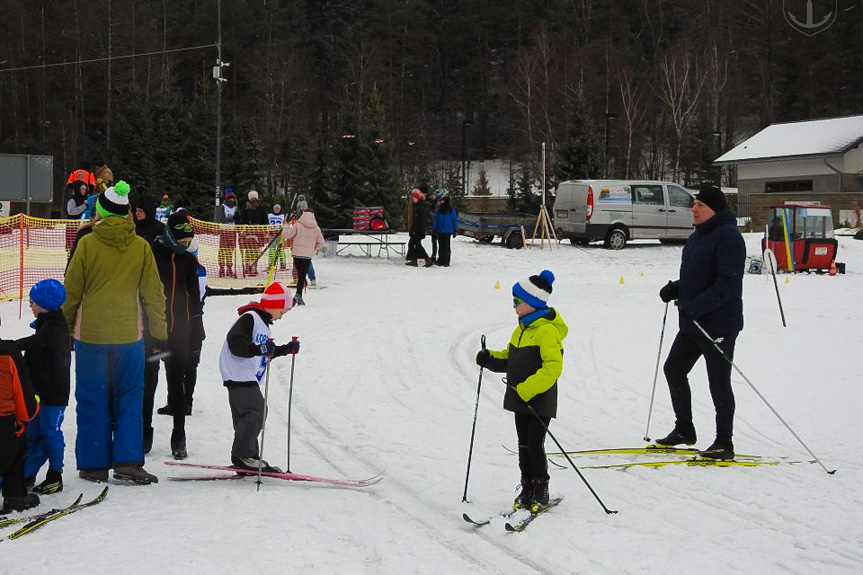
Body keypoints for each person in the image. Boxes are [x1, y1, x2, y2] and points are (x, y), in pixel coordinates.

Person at [62, 180, 168, 485]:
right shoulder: (141, 247)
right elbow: (154, 294)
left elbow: (71, 292)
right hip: (129, 337)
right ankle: (128, 461)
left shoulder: (87, 243)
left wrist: (65, 330)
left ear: (101, 211)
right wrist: (158, 332)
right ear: (127, 215)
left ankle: (94, 464)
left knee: (92, 397)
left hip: (90, 337)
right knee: (130, 397)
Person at [656, 185, 745, 460]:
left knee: (718, 382)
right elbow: (698, 278)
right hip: (693, 323)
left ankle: (724, 443)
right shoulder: (697, 237)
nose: (693, 209)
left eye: (700, 206)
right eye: (694, 204)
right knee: (674, 369)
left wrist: (695, 306)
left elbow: (727, 284)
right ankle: (684, 429)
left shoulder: (729, 238)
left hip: (717, 325)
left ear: (714, 210)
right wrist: (676, 288)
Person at [475, 270, 567, 512]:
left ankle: (541, 487)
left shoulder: (547, 331)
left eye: (517, 302)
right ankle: (527, 486)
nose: (513, 306)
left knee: (535, 443)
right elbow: (510, 358)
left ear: (532, 303)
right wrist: (489, 358)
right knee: (523, 444)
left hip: (539, 400)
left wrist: (527, 389)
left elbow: (553, 367)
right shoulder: (521, 329)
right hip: (520, 399)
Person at [220, 282, 299, 472]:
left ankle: (247, 457)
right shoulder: (250, 318)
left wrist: (284, 350)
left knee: (246, 417)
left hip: (243, 375)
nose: (281, 317)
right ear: (274, 305)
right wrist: (260, 349)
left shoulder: (261, 322)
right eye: (282, 312)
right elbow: (236, 343)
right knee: (257, 412)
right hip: (239, 375)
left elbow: (261, 352)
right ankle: (244, 455)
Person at [149, 212, 202, 460]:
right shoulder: (151, 255)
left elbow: (194, 299)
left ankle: (178, 436)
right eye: (181, 242)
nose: (185, 246)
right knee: (148, 386)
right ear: (170, 236)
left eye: (188, 242)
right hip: (152, 332)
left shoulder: (188, 261)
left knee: (177, 387)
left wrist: (197, 331)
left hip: (179, 332)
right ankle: (143, 434)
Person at [16, 280, 70, 495]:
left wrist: (13, 346)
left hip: (53, 394)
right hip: (40, 392)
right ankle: (25, 474)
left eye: (33, 301)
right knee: (32, 435)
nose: (30, 304)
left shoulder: (54, 327)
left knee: (50, 433)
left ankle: (55, 475)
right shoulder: (47, 323)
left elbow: (39, 343)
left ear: (44, 303)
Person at [0, 321, 40, 512]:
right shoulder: (8, 352)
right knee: (16, 444)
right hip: (3, 424)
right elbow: (24, 399)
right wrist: (29, 413)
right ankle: (15, 496)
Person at [281, 209, 325, 305]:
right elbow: (321, 243)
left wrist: (286, 225)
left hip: (297, 253)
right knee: (302, 275)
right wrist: (313, 248)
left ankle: (298, 294)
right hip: (307, 256)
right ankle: (298, 295)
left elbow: (287, 235)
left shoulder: (297, 225)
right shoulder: (316, 228)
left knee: (299, 275)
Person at [238, 190, 269, 277]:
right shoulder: (245, 208)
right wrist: (243, 226)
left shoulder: (261, 208)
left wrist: (264, 229)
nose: (254, 200)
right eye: (252, 198)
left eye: (255, 198)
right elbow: (242, 220)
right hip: (248, 232)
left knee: (256, 251)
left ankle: (254, 266)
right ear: (249, 199)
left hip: (258, 233)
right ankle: (248, 266)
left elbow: (265, 221)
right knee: (248, 250)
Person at [405, 189, 433, 267]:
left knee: (415, 244)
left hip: (418, 230)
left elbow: (422, 220)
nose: (412, 199)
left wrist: (421, 230)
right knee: (415, 244)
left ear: (417, 198)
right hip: (415, 229)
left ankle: (426, 259)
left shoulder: (420, 207)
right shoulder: (416, 206)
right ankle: (415, 260)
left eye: (414, 198)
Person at [216, 188, 239, 278]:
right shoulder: (223, 207)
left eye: (232, 198)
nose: (231, 200)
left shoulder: (235, 207)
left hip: (232, 232)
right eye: (229, 198)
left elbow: (237, 219)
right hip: (224, 231)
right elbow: (222, 219)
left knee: (230, 251)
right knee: (222, 250)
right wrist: (232, 218)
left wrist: (237, 219)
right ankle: (221, 268)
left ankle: (229, 269)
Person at [432, 195, 458, 267]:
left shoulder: (450, 211)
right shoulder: (441, 210)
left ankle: (445, 261)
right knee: (442, 246)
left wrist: (455, 230)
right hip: (442, 230)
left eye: (443, 201)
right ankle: (441, 260)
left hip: (446, 231)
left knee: (445, 246)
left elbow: (454, 220)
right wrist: (435, 228)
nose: (441, 202)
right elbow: (436, 220)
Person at [268, 203, 288, 271]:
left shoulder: (283, 215)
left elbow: (286, 224)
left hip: (280, 235)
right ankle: (270, 264)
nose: (276, 209)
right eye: (275, 208)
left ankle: (283, 264)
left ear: (280, 209)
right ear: (273, 209)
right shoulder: (269, 215)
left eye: (278, 208)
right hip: (272, 234)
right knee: (272, 250)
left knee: (281, 250)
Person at [426, 187, 442, 263]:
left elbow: (435, 214)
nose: (432, 196)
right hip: (435, 224)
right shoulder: (434, 202)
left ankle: (435, 256)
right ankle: (434, 255)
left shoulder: (437, 203)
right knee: (434, 241)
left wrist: (428, 212)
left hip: (437, 225)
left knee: (436, 240)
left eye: (433, 195)